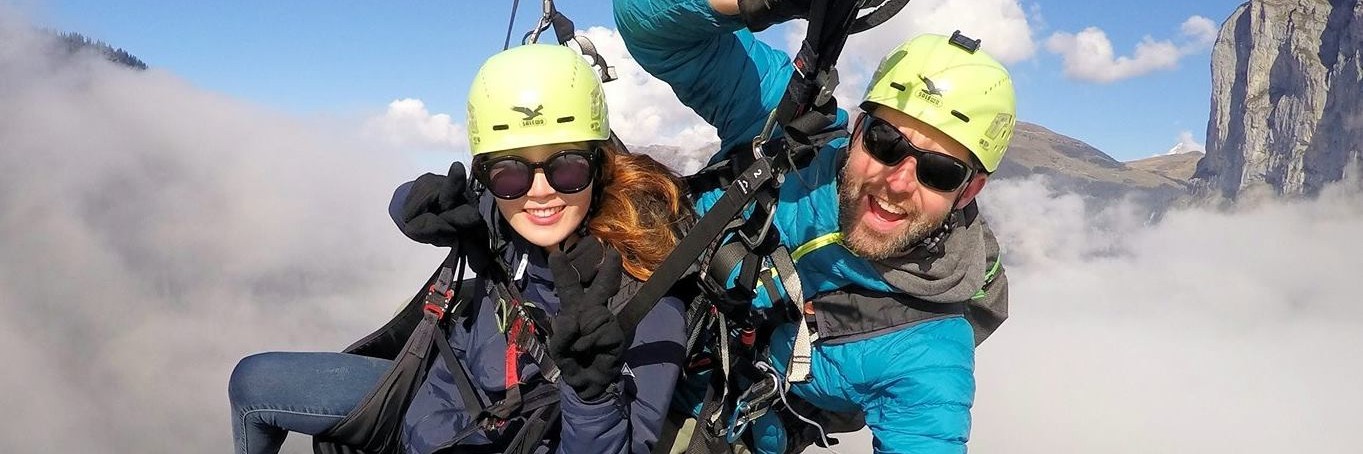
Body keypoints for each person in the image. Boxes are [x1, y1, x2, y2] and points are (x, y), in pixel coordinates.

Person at [228, 44, 691, 454]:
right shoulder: (510, 218)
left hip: (498, 434)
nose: (541, 191)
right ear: (487, 175)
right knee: (253, 383)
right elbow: (437, 201)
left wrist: (592, 398)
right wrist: (410, 204)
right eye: (510, 171)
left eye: (566, 167)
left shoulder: (645, 297)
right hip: (427, 406)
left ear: (598, 164)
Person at [613, 0, 1014, 453]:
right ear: (858, 129)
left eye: (939, 171)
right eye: (886, 142)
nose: (899, 181)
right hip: (608, 323)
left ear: (968, 192)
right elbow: (646, 22)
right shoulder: (792, 131)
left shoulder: (927, 351)